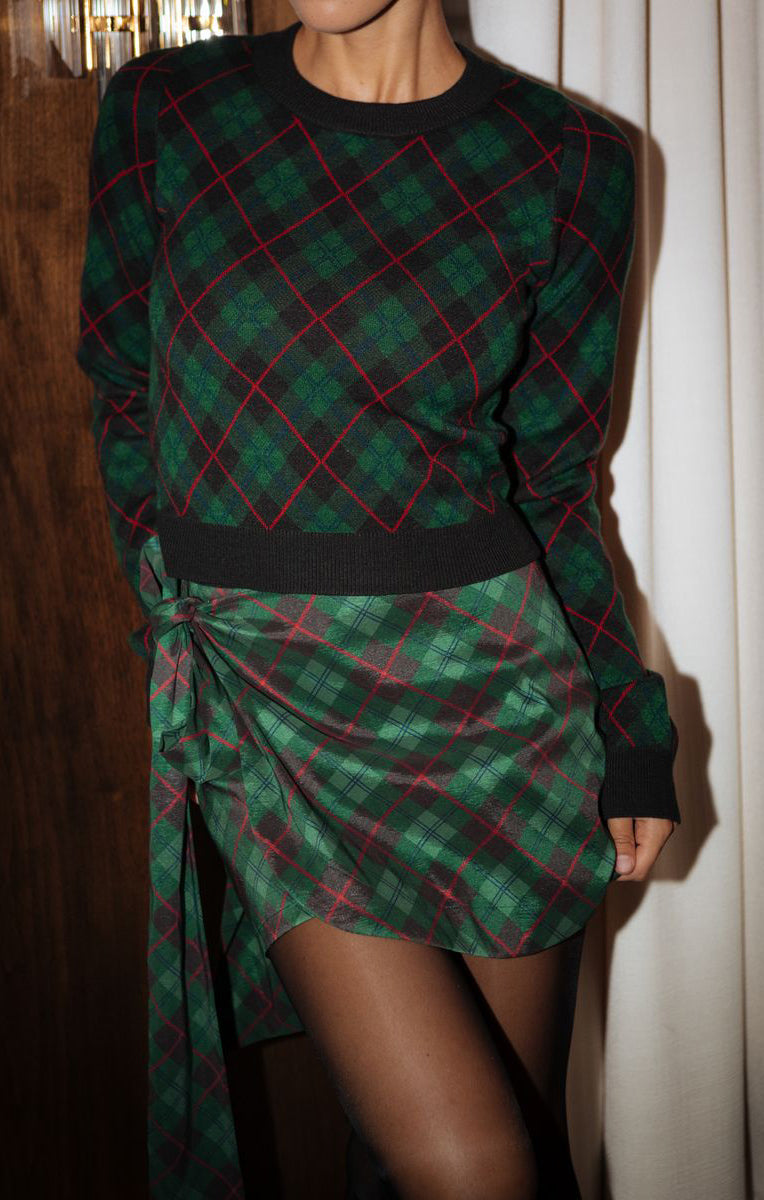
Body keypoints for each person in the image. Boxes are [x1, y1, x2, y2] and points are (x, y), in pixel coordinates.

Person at [74, 2, 681, 1197]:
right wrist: (180, 626)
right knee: (470, 1166)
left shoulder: (569, 159)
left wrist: (627, 727)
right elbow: (123, 393)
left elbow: (553, 479)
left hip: (497, 710)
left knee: (487, 1151)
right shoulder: (166, 110)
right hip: (273, 713)